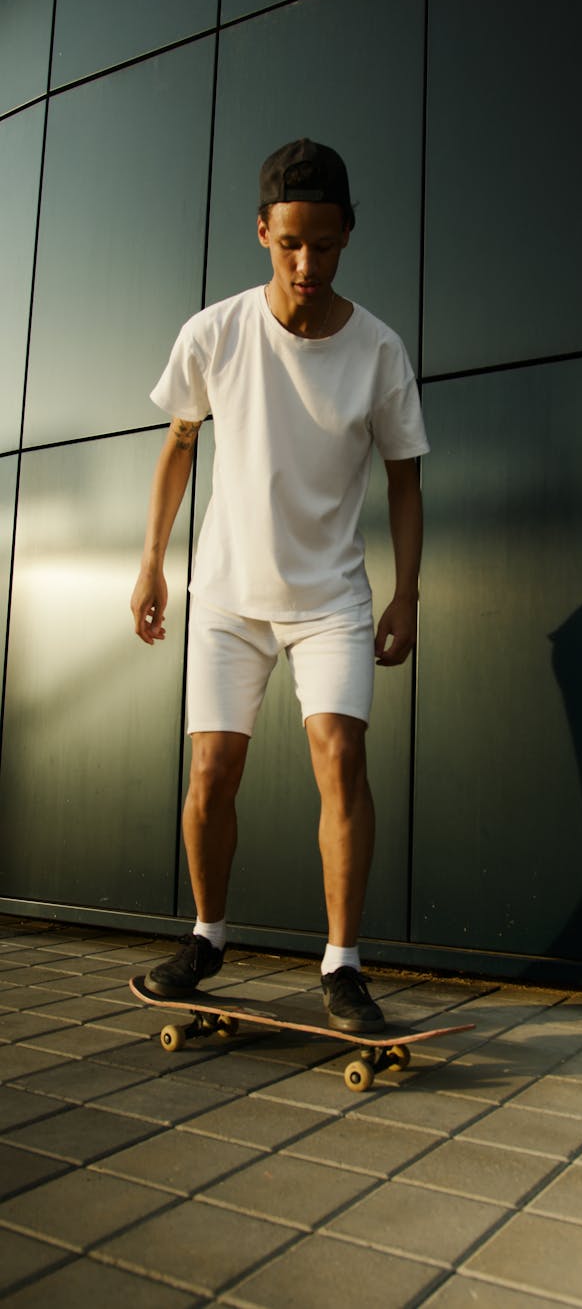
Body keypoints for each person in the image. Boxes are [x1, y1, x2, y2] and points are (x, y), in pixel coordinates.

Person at [130, 139, 429, 1032]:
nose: (307, 264)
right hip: (226, 596)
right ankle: (208, 937)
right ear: (263, 230)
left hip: (330, 598)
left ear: (348, 236)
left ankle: (341, 965)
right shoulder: (214, 333)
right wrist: (152, 558)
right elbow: (181, 441)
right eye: (290, 242)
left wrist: (407, 590)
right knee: (211, 773)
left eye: (326, 245)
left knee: (340, 754)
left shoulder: (378, 350)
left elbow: (406, 475)